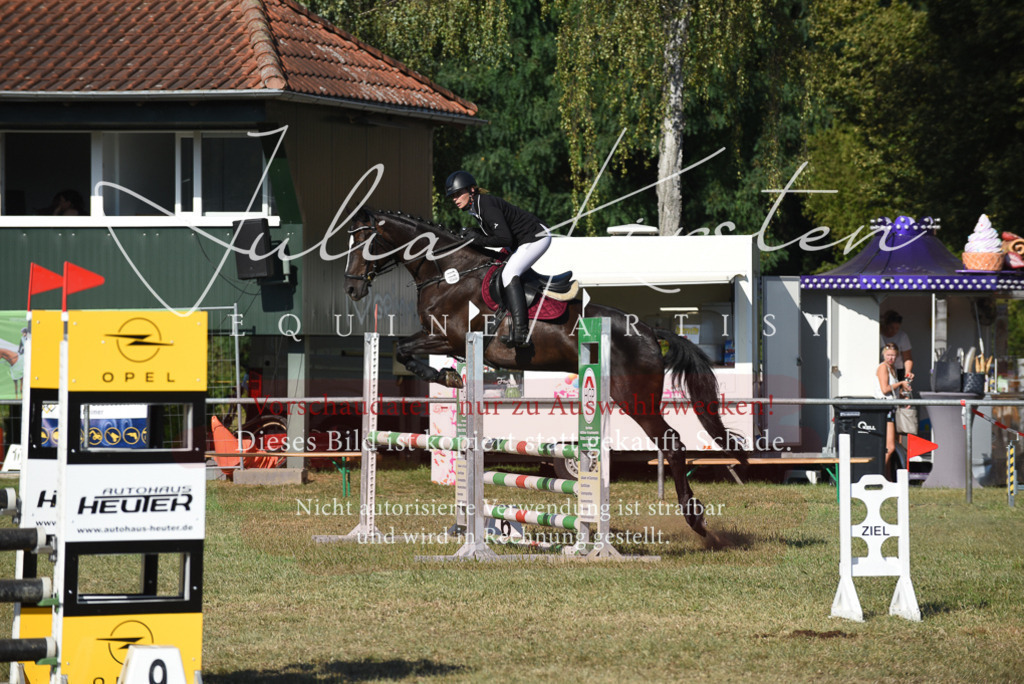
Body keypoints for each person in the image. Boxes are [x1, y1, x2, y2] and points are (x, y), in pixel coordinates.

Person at [446, 170, 552, 348]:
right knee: (498, 268)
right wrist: (475, 233)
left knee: (509, 273)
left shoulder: (486, 205)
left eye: (458, 194)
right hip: (521, 241)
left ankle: (521, 332)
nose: (455, 199)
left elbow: (504, 239)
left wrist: (476, 239)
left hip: (536, 237)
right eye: (452, 196)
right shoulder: (477, 208)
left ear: (472, 190)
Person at [877, 342, 911, 480]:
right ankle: (879, 477)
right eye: (888, 355)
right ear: (883, 355)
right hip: (884, 409)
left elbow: (893, 391)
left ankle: (889, 479)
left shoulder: (893, 369)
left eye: (893, 356)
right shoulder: (883, 368)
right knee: (889, 447)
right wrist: (901, 383)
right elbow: (885, 389)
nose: (891, 358)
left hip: (892, 407)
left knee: (895, 446)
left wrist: (904, 393)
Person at [880, 310, 914, 382]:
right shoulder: (879, 334)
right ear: (885, 325)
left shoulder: (902, 336)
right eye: (891, 328)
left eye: (897, 328)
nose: (894, 331)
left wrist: (908, 372)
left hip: (897, 369)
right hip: (882, 368)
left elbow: (907, 357)